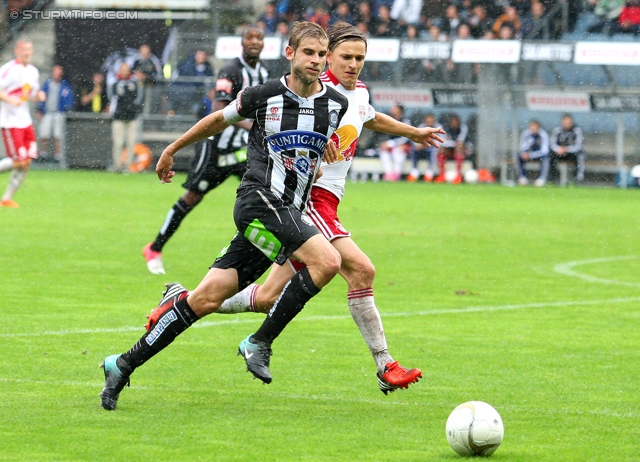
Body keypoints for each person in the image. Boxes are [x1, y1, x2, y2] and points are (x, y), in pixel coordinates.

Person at [99, 21, 350, 411]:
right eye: (308, 53)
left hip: (285, 214)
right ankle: (259, 342)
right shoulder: (263, 95)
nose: (316, 61)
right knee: (328, 260)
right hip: (258, 201)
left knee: (204, 300)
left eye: (321, 54)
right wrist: (172, 150)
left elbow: (309, 164)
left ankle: (122, 363)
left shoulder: (336, 105)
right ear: (290, 54)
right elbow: (217, 120)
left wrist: (321, 158)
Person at [221, 22, 444, 393]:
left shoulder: (356, 95)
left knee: (267, 297)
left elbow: (370, 116)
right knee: (361, 270)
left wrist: (412, 132)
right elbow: (281, 137)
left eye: (360, 58)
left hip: (329, 204)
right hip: (309, 202)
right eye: (345, 57)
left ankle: (184, 303)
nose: (354, 65)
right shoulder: (316, 99)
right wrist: (311, 154)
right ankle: (385, 365)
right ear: (328, 58)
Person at [142, 26, 270, 274]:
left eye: (259, 38)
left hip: (242, 151)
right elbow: (219, 108)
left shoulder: (263, 71)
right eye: (249, 38)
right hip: (216, 149)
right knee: (192, 198)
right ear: (241, 42)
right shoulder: (230, 70)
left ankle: (272, 255)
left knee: (265, 194)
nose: (255, 42)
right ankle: (154, 248)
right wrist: (253, 125)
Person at [0, 38, 46, 208]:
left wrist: (39, 95)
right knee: (19, 160)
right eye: (24, 49)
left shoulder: (33, 71)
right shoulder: (8, 69)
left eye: (30, 49)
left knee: (27, 161)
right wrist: (10, 100)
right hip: (10, 121)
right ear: (16, 51)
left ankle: (6, 199)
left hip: (25, 121)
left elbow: (31, 93)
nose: (27, 52)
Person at [36, 65, 74, 163]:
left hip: (59, 113)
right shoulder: (47, 84)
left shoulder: (64, 85)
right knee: (44, 134)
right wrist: (40, 109)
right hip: (47, 112)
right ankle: (43, 154)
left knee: (58, 135)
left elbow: (68, 99)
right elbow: (41, 96)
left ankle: (58, 155)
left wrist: (66, 109)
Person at [110, 62, 143, 172]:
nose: (124, 71)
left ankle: (128, 165)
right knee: (118, 143)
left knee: (131, 142)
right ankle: (117, 165)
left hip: (131, 117)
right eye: (122, 69)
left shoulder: (134, 82)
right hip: (119, 117)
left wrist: (134, 109)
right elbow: (113, 97)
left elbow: (137, 97)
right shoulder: (115, 82)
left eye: (126, 69)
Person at [378, 104, 412, 182]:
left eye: (394, 108)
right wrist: (384, 143)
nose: (392, 109)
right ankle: (389, 174)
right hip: (389, 145)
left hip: (401, 145)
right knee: (384, 152)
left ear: (399, 111)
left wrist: (391, 143)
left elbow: (406, 136)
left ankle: (397, 174)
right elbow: (383, 134)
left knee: (399, 152)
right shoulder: (388, 120)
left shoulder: (405, 121)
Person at [549, 113, 585, 184]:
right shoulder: (557, 130)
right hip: (559, 153)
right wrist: (559, 149)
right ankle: (552, 178)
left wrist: (566, 149)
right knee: (550, 155)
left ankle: (578, 178)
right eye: (565, 122)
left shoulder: (577, 130)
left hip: (571, 153)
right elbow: (552, 144)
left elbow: (578, 146)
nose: (567, 124)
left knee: (580, 155)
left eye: (568, 122)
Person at [408, 113, 443, 182]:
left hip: (433, 147)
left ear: (434, 121)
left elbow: (442, 140)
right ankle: (414, 171)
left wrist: (428, 143)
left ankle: (430, 173)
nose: (429, 123)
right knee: (413, 149)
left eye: (431, 121)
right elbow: (415, 138)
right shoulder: (421, 127)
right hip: (422, 148)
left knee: (434, 151)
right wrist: (419, 144)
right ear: (425, 121)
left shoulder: (439, 127)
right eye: (428, 121)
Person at [435, 114, 469, 184]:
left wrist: (451, 142)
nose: (454, 124)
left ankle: (458, 174)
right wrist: (451, 143)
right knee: (441, 150)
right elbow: (443, 141)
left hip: (463, 150)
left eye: (456, 122)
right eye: (453, 122)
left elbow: (461, 141)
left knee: (459, 146)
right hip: (450, 150)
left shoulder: (463, 128)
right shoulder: (446, 128)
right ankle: (442, 174)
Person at [517, 119, 550, 187]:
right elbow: (522, 146)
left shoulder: (543, 134)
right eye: (531, 127)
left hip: (539, 155)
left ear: (538, 127)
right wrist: (525, 153)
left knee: (546, 158)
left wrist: (531, 155)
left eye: (535, 127)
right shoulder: (526, 134)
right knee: (519, 156)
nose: (533, 129)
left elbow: (545, 151)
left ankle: (542, 179)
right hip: (528, 154)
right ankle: (522, 177)